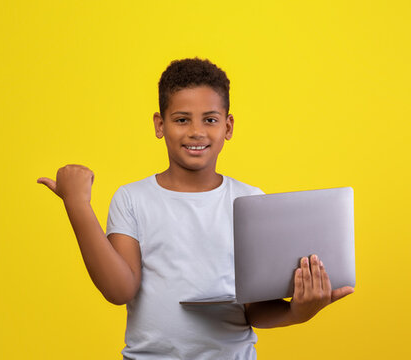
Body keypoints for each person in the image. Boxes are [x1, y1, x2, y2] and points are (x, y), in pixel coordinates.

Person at [36, 58, 354, 359]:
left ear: (227, 127)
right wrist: (77, 206)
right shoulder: (132, 198)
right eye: (182, 119)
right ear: (160, 125)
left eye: (210, 120)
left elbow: (256, 310)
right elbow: (119, 290)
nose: (196, 132)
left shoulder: (250, 200)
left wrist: (300, 310)